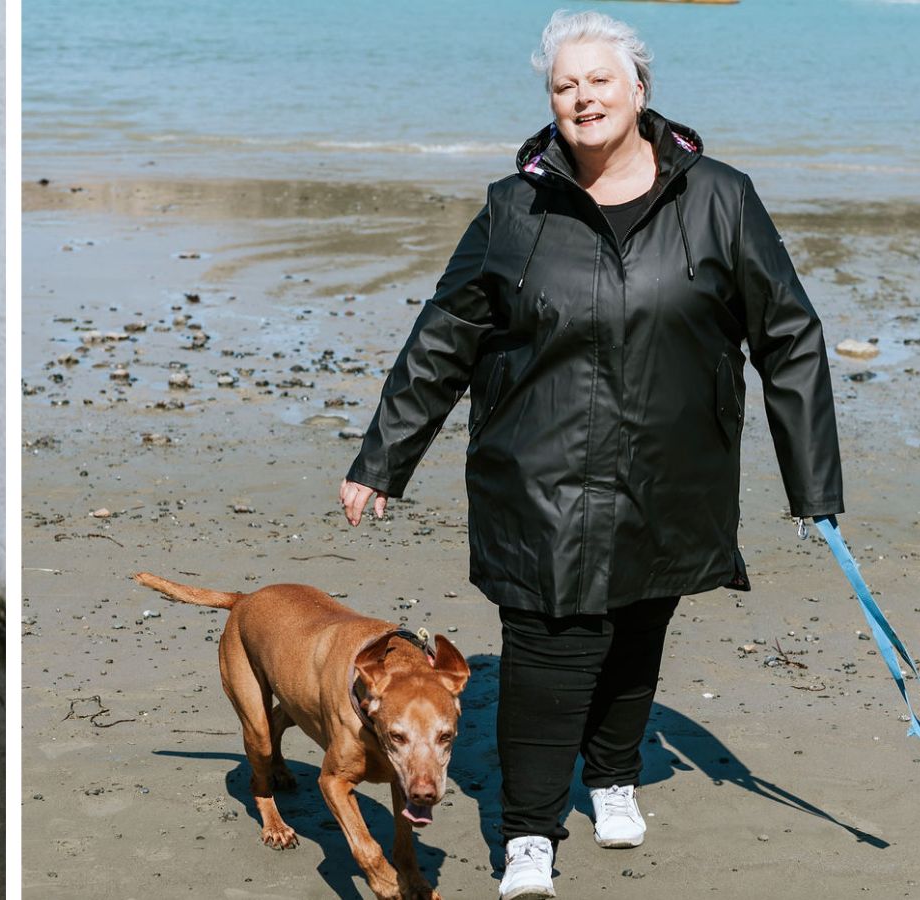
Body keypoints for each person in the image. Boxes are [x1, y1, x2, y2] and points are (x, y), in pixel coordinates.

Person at [338, 10, 841, 899]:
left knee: (638, 626)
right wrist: (383, 458)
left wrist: (812, 483)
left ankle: (612, 775)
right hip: (538, 472)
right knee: (547, 652)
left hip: (673, 472)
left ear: (639, 89)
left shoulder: (721, 198)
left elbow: (788, 335)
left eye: (600, 80)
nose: (583, 97)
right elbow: (445, 336)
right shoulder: (515, 206)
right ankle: (530, 834)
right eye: (564, 85)